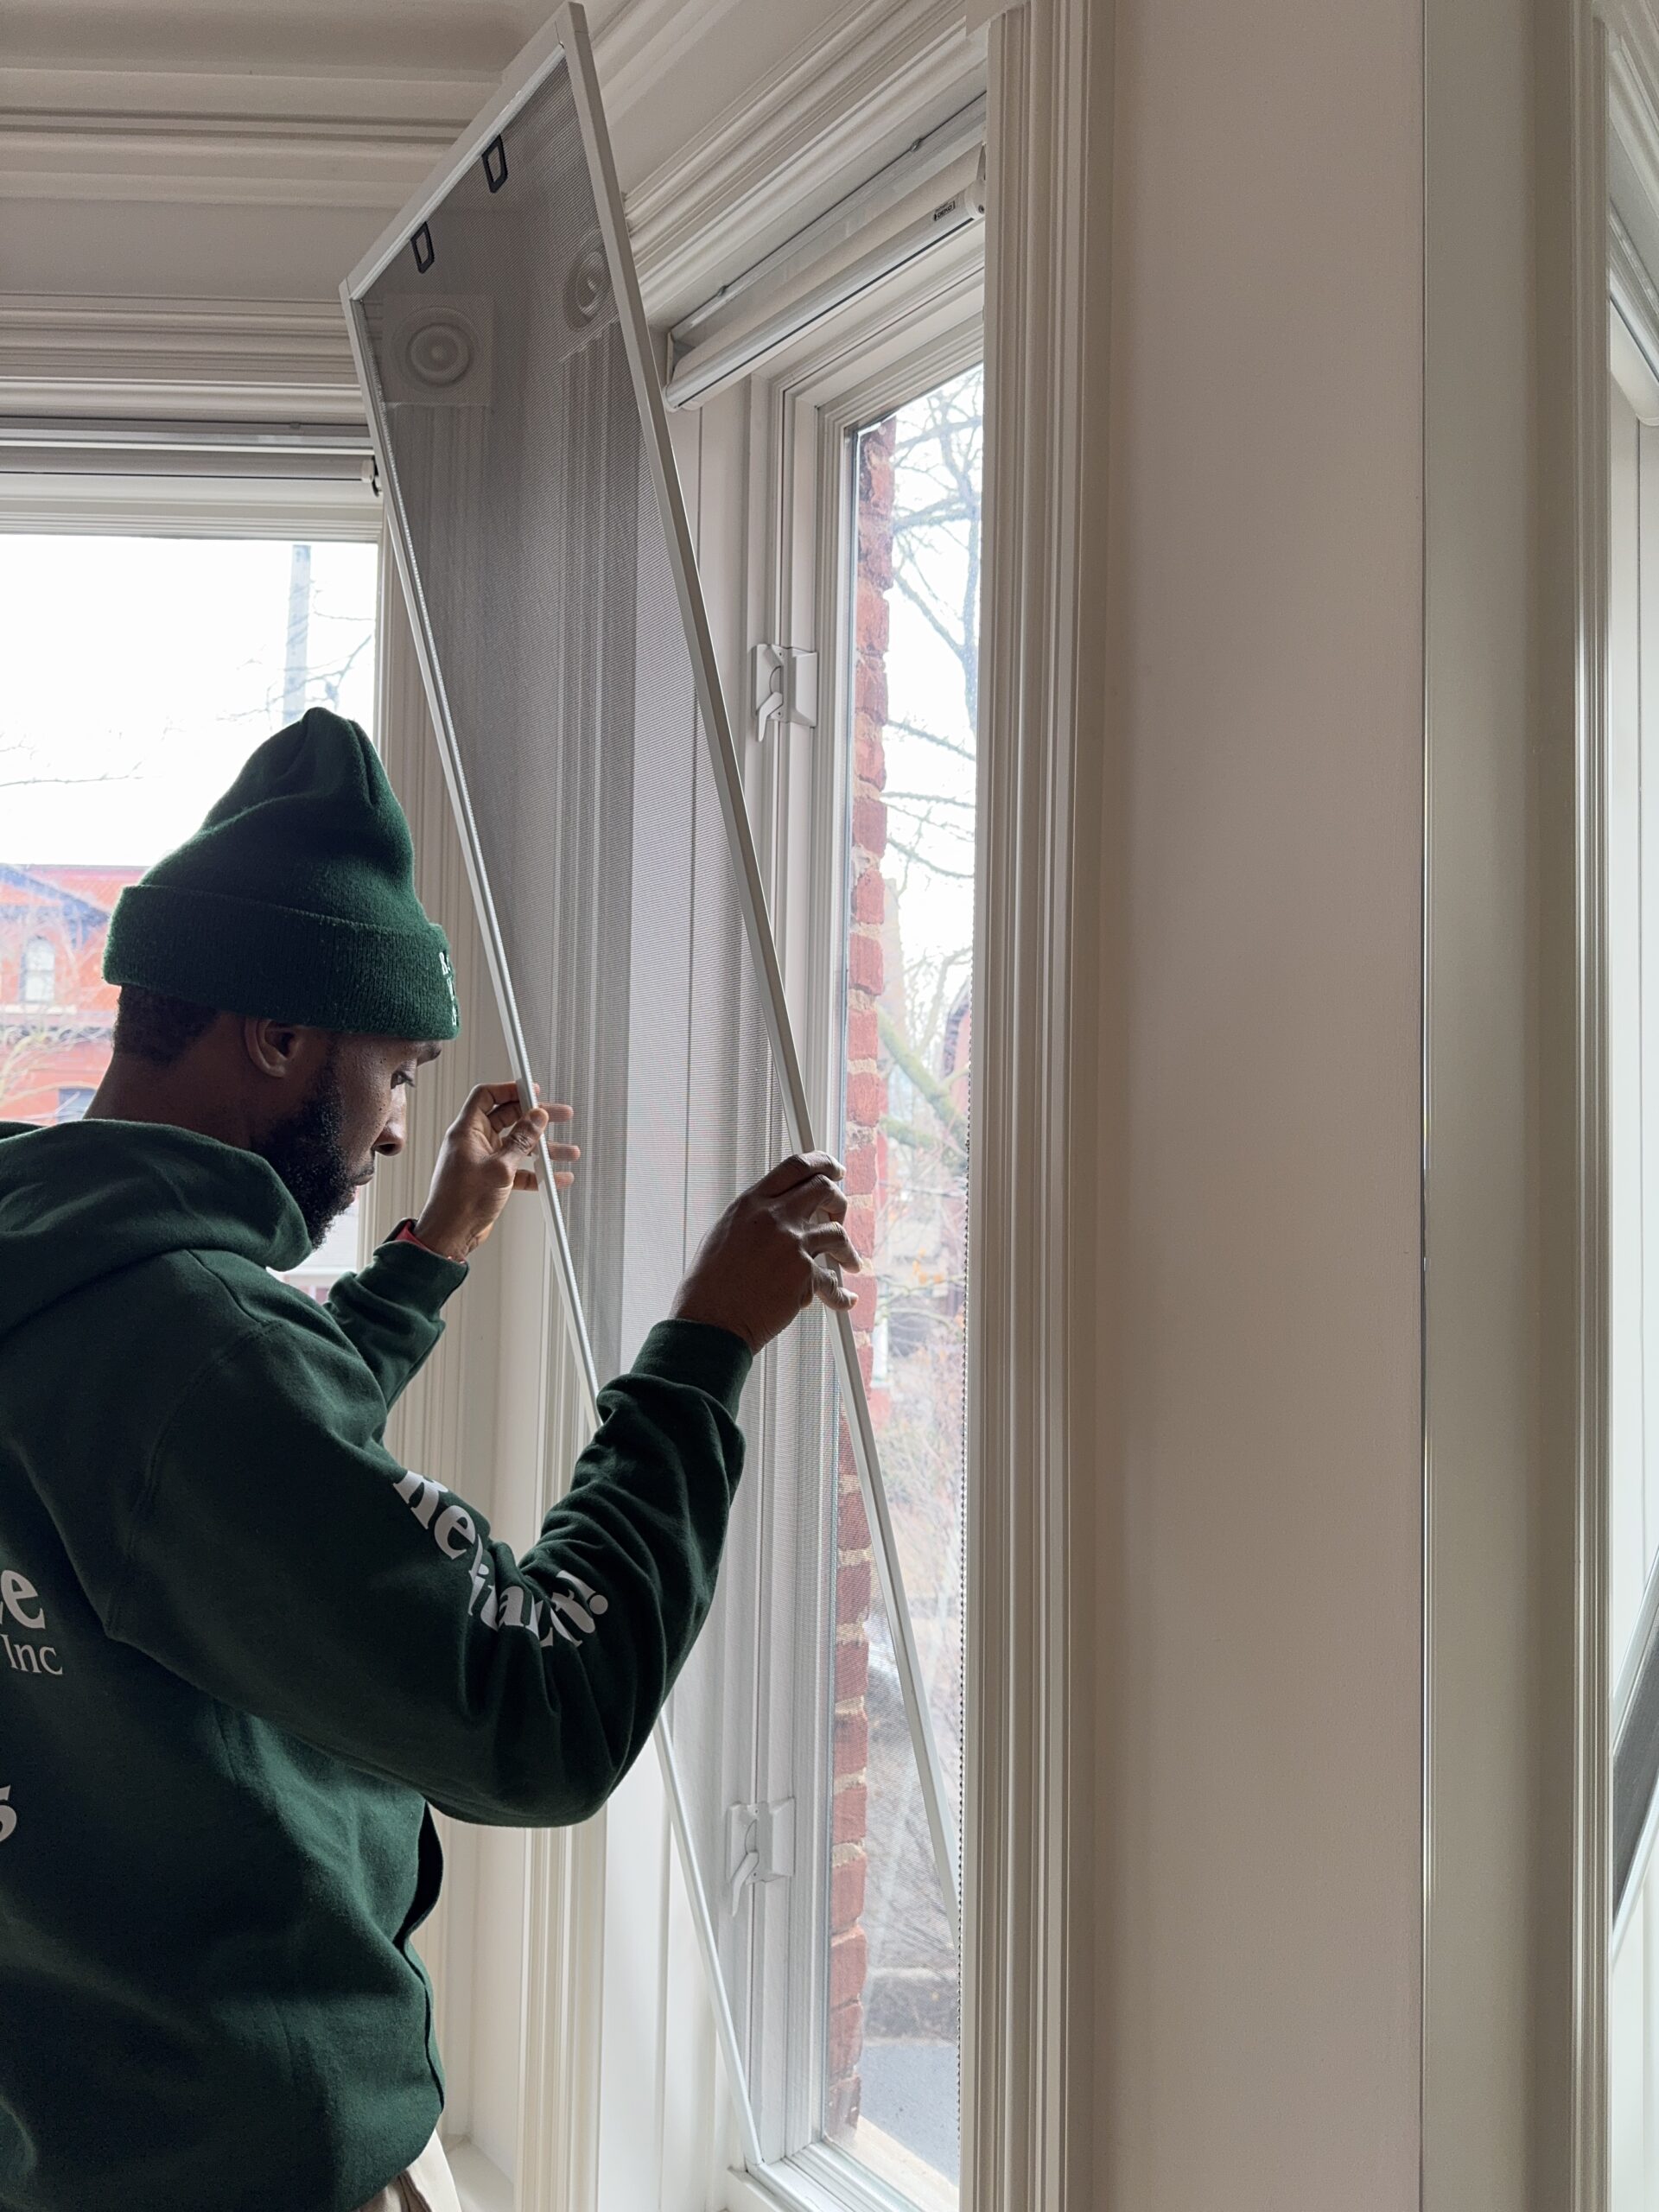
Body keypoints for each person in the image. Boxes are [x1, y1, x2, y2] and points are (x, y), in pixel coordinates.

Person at [0, 708, 859, 2212]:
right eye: (393, 1070)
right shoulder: (194, 1356)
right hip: (237, 2150)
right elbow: (538, 1712)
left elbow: (203, 1490)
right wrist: (704, 1351)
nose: (399, 1126)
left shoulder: (61, 1270)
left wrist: (434, 1253)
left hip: (62, 2107)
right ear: (280, 1038)